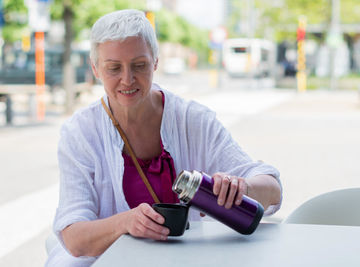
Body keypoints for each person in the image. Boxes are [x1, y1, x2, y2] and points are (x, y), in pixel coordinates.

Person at [45, 9, 282, 267]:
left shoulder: (192, 120)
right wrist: (124, 222)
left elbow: (272, 190)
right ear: (95, 69)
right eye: (114, 68)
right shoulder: (80, 133)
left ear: (155, 62)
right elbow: (74, 238)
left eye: (139, 65)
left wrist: (242, 188)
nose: (127, 79)